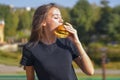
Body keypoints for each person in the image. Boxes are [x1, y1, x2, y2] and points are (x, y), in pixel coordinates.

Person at [20, 3, 94, 80]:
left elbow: (90, 71)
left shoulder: (67, 42)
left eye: (61, 17)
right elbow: (30, 78)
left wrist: (77, 43)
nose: (61, 20)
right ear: (43, 22)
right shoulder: (30, 49)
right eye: (56, 17)